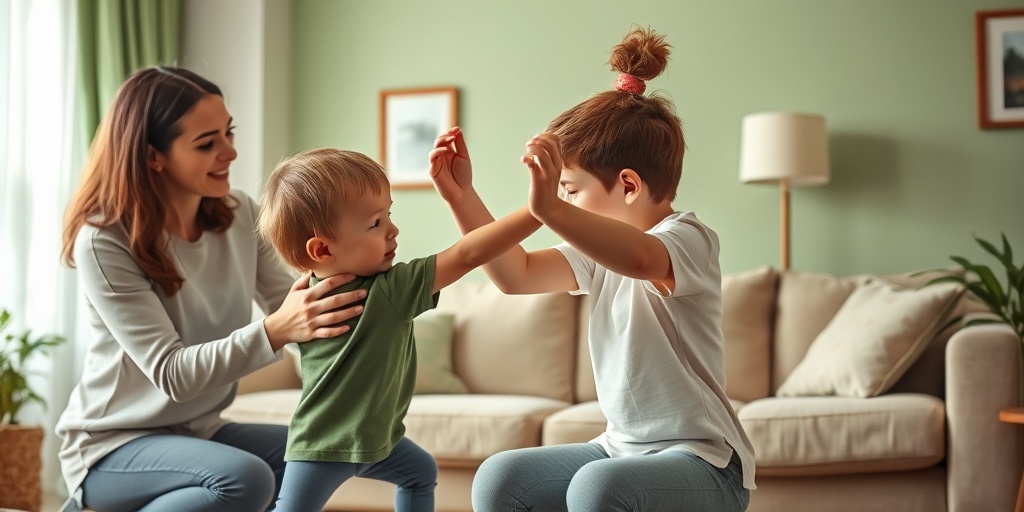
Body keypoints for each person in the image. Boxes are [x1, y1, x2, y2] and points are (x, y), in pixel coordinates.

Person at [429, 27, 755, 512]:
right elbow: (514, 275)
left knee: (598, 488)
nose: (563, 203)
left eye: (571, 189)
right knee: (500, 478)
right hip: (618, 448)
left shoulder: (690, 240)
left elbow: (643, 259)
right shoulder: (595, 253)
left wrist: (553, 212)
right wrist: (462, 198)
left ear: (627, 185)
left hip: (705, 461)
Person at [55, 66, 368, 512]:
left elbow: (296, 304)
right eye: (207, 143)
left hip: (199, 430)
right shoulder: (104, 240)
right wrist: (276, 331)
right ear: (152, 157)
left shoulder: (240, 214)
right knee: (243, 479)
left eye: (228, 133)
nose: (230, 152)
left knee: (319, 454)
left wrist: (369, 334)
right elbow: (172, 373)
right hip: (112, 446)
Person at [256, 148, 538, 512]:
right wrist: (540, 211)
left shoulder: (306, 298)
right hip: (326, 446)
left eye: (389, 214)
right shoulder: (390, 291)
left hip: (373, 440)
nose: (393, 230)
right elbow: (468, 254)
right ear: (322, 248)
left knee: (419, 471)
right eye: (375, 223)